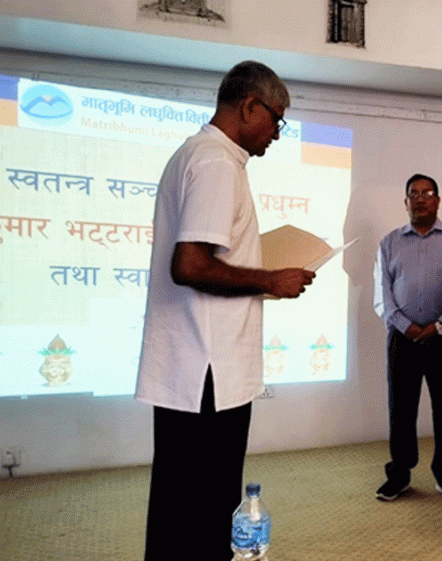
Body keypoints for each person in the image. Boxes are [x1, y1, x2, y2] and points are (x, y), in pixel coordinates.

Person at [135, 61, 315, 561]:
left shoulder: (199, 154)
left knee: (177, 505)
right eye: (277, 119)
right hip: (207, 372)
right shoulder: (216, 162)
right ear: (250, 106)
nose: (277, 133)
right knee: (206, 507)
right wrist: (269, 280)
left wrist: (260, 273)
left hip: (195, 367)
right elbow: (190, 265)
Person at [372, 173, 442, 502]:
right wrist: (406, 326)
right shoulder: (389, 242)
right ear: (406, 202)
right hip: (403, 339)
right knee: (401, 409)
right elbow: (382, 294)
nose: (421, 199)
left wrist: (439, 324)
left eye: (427, 193)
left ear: (437, 200)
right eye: (414, 194)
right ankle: (399, 475)